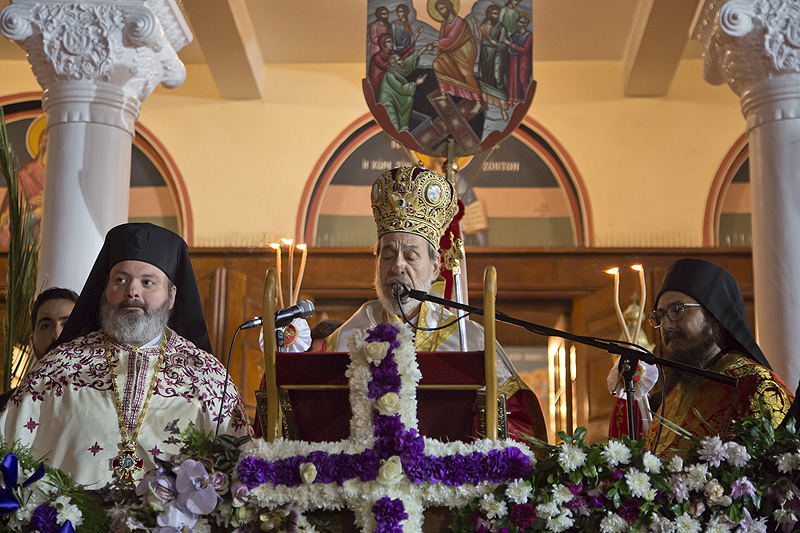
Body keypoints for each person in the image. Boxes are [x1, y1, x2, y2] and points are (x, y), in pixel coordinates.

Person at [0, 223, 251, 488]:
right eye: (120, 280)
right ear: (104, 290)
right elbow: (7, 451)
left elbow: (239, 471)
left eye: (148, 282)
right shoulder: (57, 368)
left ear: (171, 296)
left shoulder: (206, 374)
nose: (132, 291)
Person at [325, 165, 547, 441]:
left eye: (411, 255)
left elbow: (521, 424)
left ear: (434, 267)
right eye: (388, 255)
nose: (398, 266)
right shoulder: (344, 339)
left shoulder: (473, 340)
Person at [644, 258, 792, 455]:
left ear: (715, 317)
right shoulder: (671, 398)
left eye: (677, 310)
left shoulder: (757, 387)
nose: (667, 325)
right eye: (661, 315)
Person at [0, 287, 79, 411]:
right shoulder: (6, 408)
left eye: (67, 324)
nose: (56, 335)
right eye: (46, 326)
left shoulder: (107, 400)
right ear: (33, 341)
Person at [431, 0, 482, 102]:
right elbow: (446, 39)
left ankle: (478, 101)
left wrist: (437, 43)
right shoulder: (445, 23)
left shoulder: (458, 21)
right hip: (451, 51)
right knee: (438, 63)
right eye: (438, 10)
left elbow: (452, 38)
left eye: (442, 9)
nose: (440, 12)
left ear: (449, 7)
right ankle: (444, 93)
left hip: (464, 51)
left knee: (466, 75)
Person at [378, 51, 431, 132]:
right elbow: (401, 89)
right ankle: (401, 130)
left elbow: (408, 65)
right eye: (399, 60)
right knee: (393, 124)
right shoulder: (389, 76)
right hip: (388, 101)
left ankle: (404, 127)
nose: (401, 62)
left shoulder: (397, 72)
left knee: (408, 99)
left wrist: (422, 50)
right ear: (394, 63)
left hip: (396, 97)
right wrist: (416, 83)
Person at [477, 5, 510, 120]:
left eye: (497, 14)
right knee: (483, 78)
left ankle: (504, 108)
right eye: (494, 13)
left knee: (497, 78)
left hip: (497, 55)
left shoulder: (501, 28)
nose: (495, 16)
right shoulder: (484, 25)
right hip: (485, 54)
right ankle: (485, 103)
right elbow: (480, 39)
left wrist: (494, 43)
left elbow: (503, 46)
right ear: (489, 14)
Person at [505, 14, 532, 105]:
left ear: (525, 24)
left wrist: (512, 45)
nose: (518, 24)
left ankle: (526, 102)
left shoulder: (529, 36)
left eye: (520, 22)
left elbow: (525, 49)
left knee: (522, 80)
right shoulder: (514, 35)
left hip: (523, 61)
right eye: (518, 21)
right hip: (513, 60)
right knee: (512, 80)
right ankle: (513, 101)